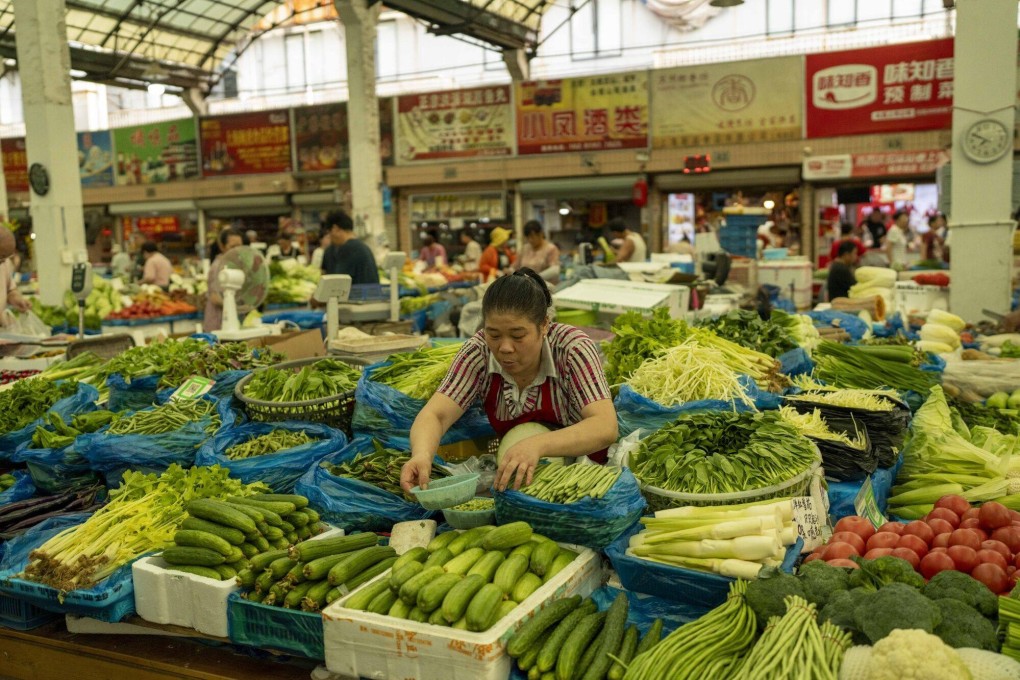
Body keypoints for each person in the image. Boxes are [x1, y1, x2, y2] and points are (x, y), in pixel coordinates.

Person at [400, 269, 618, 493]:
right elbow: (435, 414)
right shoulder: (479, 352)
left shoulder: (572, 349)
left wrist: (538, 444)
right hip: (519, 484)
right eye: (493, 335)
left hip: (586, 484)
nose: (504, 347)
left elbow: (605, 426)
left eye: (517, 336)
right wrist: (422, 455)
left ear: (544, 325)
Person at [321, 210, 379, 285]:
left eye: (329, 232)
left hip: (358, 296)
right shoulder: (362, 247)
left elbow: (337, 283)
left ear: (335, 229)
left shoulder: (349, 248)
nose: (330, 237)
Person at [203, 229, 244, 332]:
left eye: (240, 246)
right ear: (222, 246)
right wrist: (234, 305)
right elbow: (214, 297)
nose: (237, 250)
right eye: (233, 246)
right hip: (218, 322)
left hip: (233, 322)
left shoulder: (236, 264)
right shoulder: (217, 266)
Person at [0, 230, 29, 325]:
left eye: (6, 257)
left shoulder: (5, 263)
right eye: (1, 256)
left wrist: (16, 298)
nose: (3, 261)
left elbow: (10, 290)